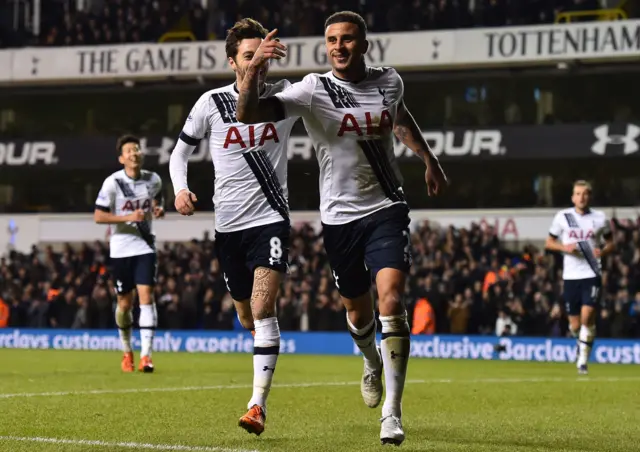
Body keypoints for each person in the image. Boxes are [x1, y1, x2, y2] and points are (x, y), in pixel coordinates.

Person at [235, 11, 447, 445]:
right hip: (339, 219)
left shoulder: (389, 81)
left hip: (387, 207)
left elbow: (400, 118)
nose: (339, 47)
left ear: (364, 44)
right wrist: (255, 67)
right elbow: (248, 111)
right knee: (357, 310)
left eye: (348, 39)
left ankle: (392, 411)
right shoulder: (314, 89)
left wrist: (429, 158)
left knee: (391, 299)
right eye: (332, 40)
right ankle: (371, 361)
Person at [169, 18, 298, 437]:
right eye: (249, 56)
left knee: (262, 309)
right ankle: (264, 345)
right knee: (246, 316)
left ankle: (257, 405)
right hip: (228, 229)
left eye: (263, 56)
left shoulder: (285, 96)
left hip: (270, 220)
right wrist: (180, 189)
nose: (259, 63)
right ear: (233, 62)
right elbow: (178, 154)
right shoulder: (211, 102)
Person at [94, 134, 164, 373]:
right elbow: (99, 216)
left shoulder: (153, 180)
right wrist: (127, 217)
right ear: (121, 158)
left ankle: (147, 356)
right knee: (124, 304)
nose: (134, 153)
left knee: (147, 296)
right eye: (129, 151)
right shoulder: (112, 183)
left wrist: (158, 209)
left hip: (145, 246)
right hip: (121, 249)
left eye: (137, 149)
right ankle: (127, 350)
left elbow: (158, 201)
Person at [545, 180, 615, 374]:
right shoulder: (563, 217)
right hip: (571, 276)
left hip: (592, 273)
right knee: (574, 324)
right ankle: (582, 341)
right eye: (578, 193)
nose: (581, 197)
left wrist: (603, 250)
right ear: (572, 197)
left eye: (585, 193)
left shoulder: (600, 218)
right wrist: (563, 247)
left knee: (586, 318)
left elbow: (611, 243)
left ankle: (582, 362)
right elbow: (549, 242)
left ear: (589, 196)